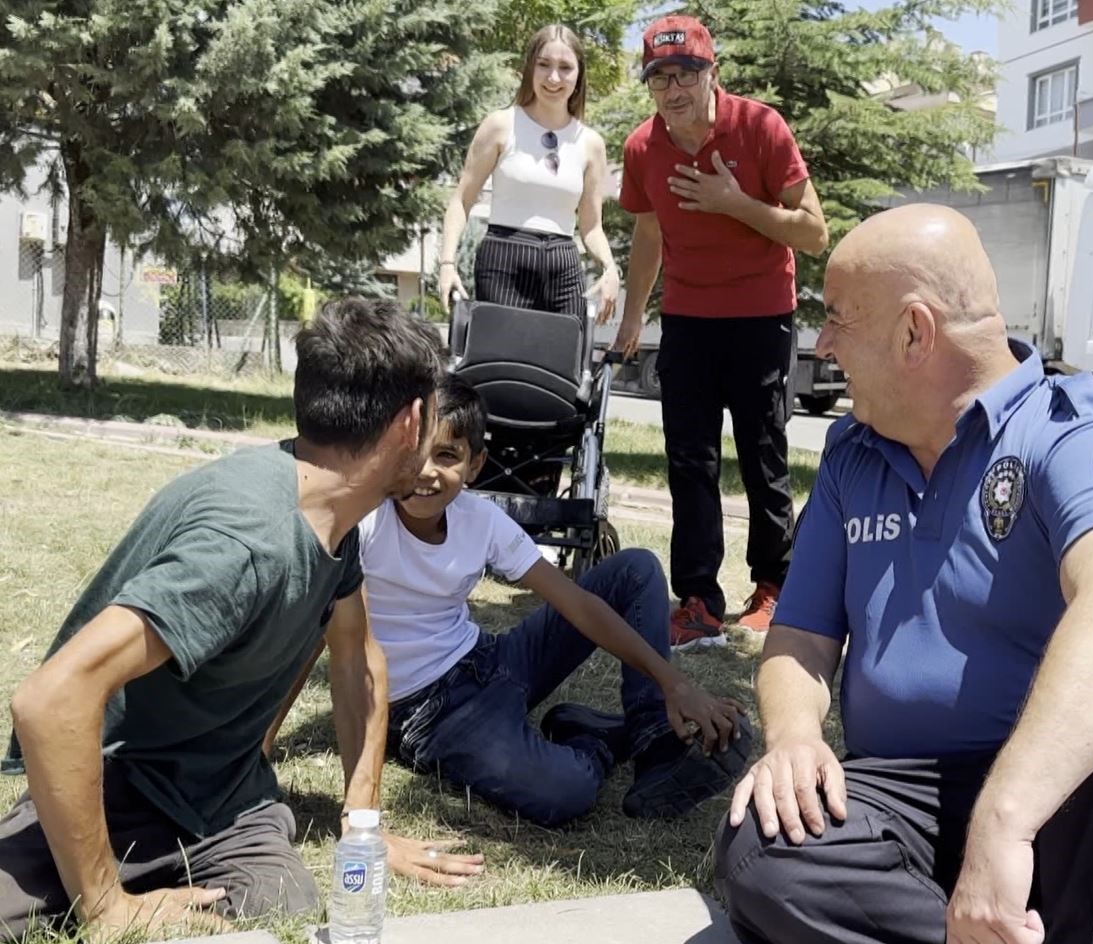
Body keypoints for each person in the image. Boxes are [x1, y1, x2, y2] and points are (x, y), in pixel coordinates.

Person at [713, 205, 1093, 944]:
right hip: (907, 797)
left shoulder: (1065, 431)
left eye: (839, 318)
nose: (824, 343)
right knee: (763, 847)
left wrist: (1003, 823)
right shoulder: (853, 456)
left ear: (914, 331)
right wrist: (795, 740)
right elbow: (799, 639)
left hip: (1063, 794)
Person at [0, 299, 485, 943]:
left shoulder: (333, 512)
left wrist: (364, 826)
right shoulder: (246, 545)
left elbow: (357, 657)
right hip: (123, 788)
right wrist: (106, 905)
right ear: (413, 421)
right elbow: (51, 699)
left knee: (280, 906)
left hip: (230, 801)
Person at [362, 375, 752, 826]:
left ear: (474, 465)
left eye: (446, 455)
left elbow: (577, 603)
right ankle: (595, 740)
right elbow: (318, 626)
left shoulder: (478, 517)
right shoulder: (368, 520)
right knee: (568, 792)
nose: (425, 471)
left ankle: (653, 737)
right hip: (432, 715)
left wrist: (674, 684)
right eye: (413, 452)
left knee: (636, 568)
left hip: (489, 661)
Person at [611, 15, 829, 650]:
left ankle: (773, 589)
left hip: (761, 314)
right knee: (690, 462)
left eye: (686, 73)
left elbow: (814, 233)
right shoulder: (641, 148)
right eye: (660, 78)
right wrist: (632, 314)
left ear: (713, 74)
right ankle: (700, 599)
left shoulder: (761, 127)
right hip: (686, 318)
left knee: (764, 454)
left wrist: (735, 202)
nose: (674, 88)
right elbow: (648, 232)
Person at [437, 24, 618, 324]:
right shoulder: (500, 125)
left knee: (564, 365)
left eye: (565, 67)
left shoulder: (591, 143)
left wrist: (611, 268)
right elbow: (461, 200)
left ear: (579, 75)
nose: (554, 77)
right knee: (502, 365)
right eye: (544, 65)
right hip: (504, 259)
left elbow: (591, 226)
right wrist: (447, 263)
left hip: (563, 263)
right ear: (530, 68)